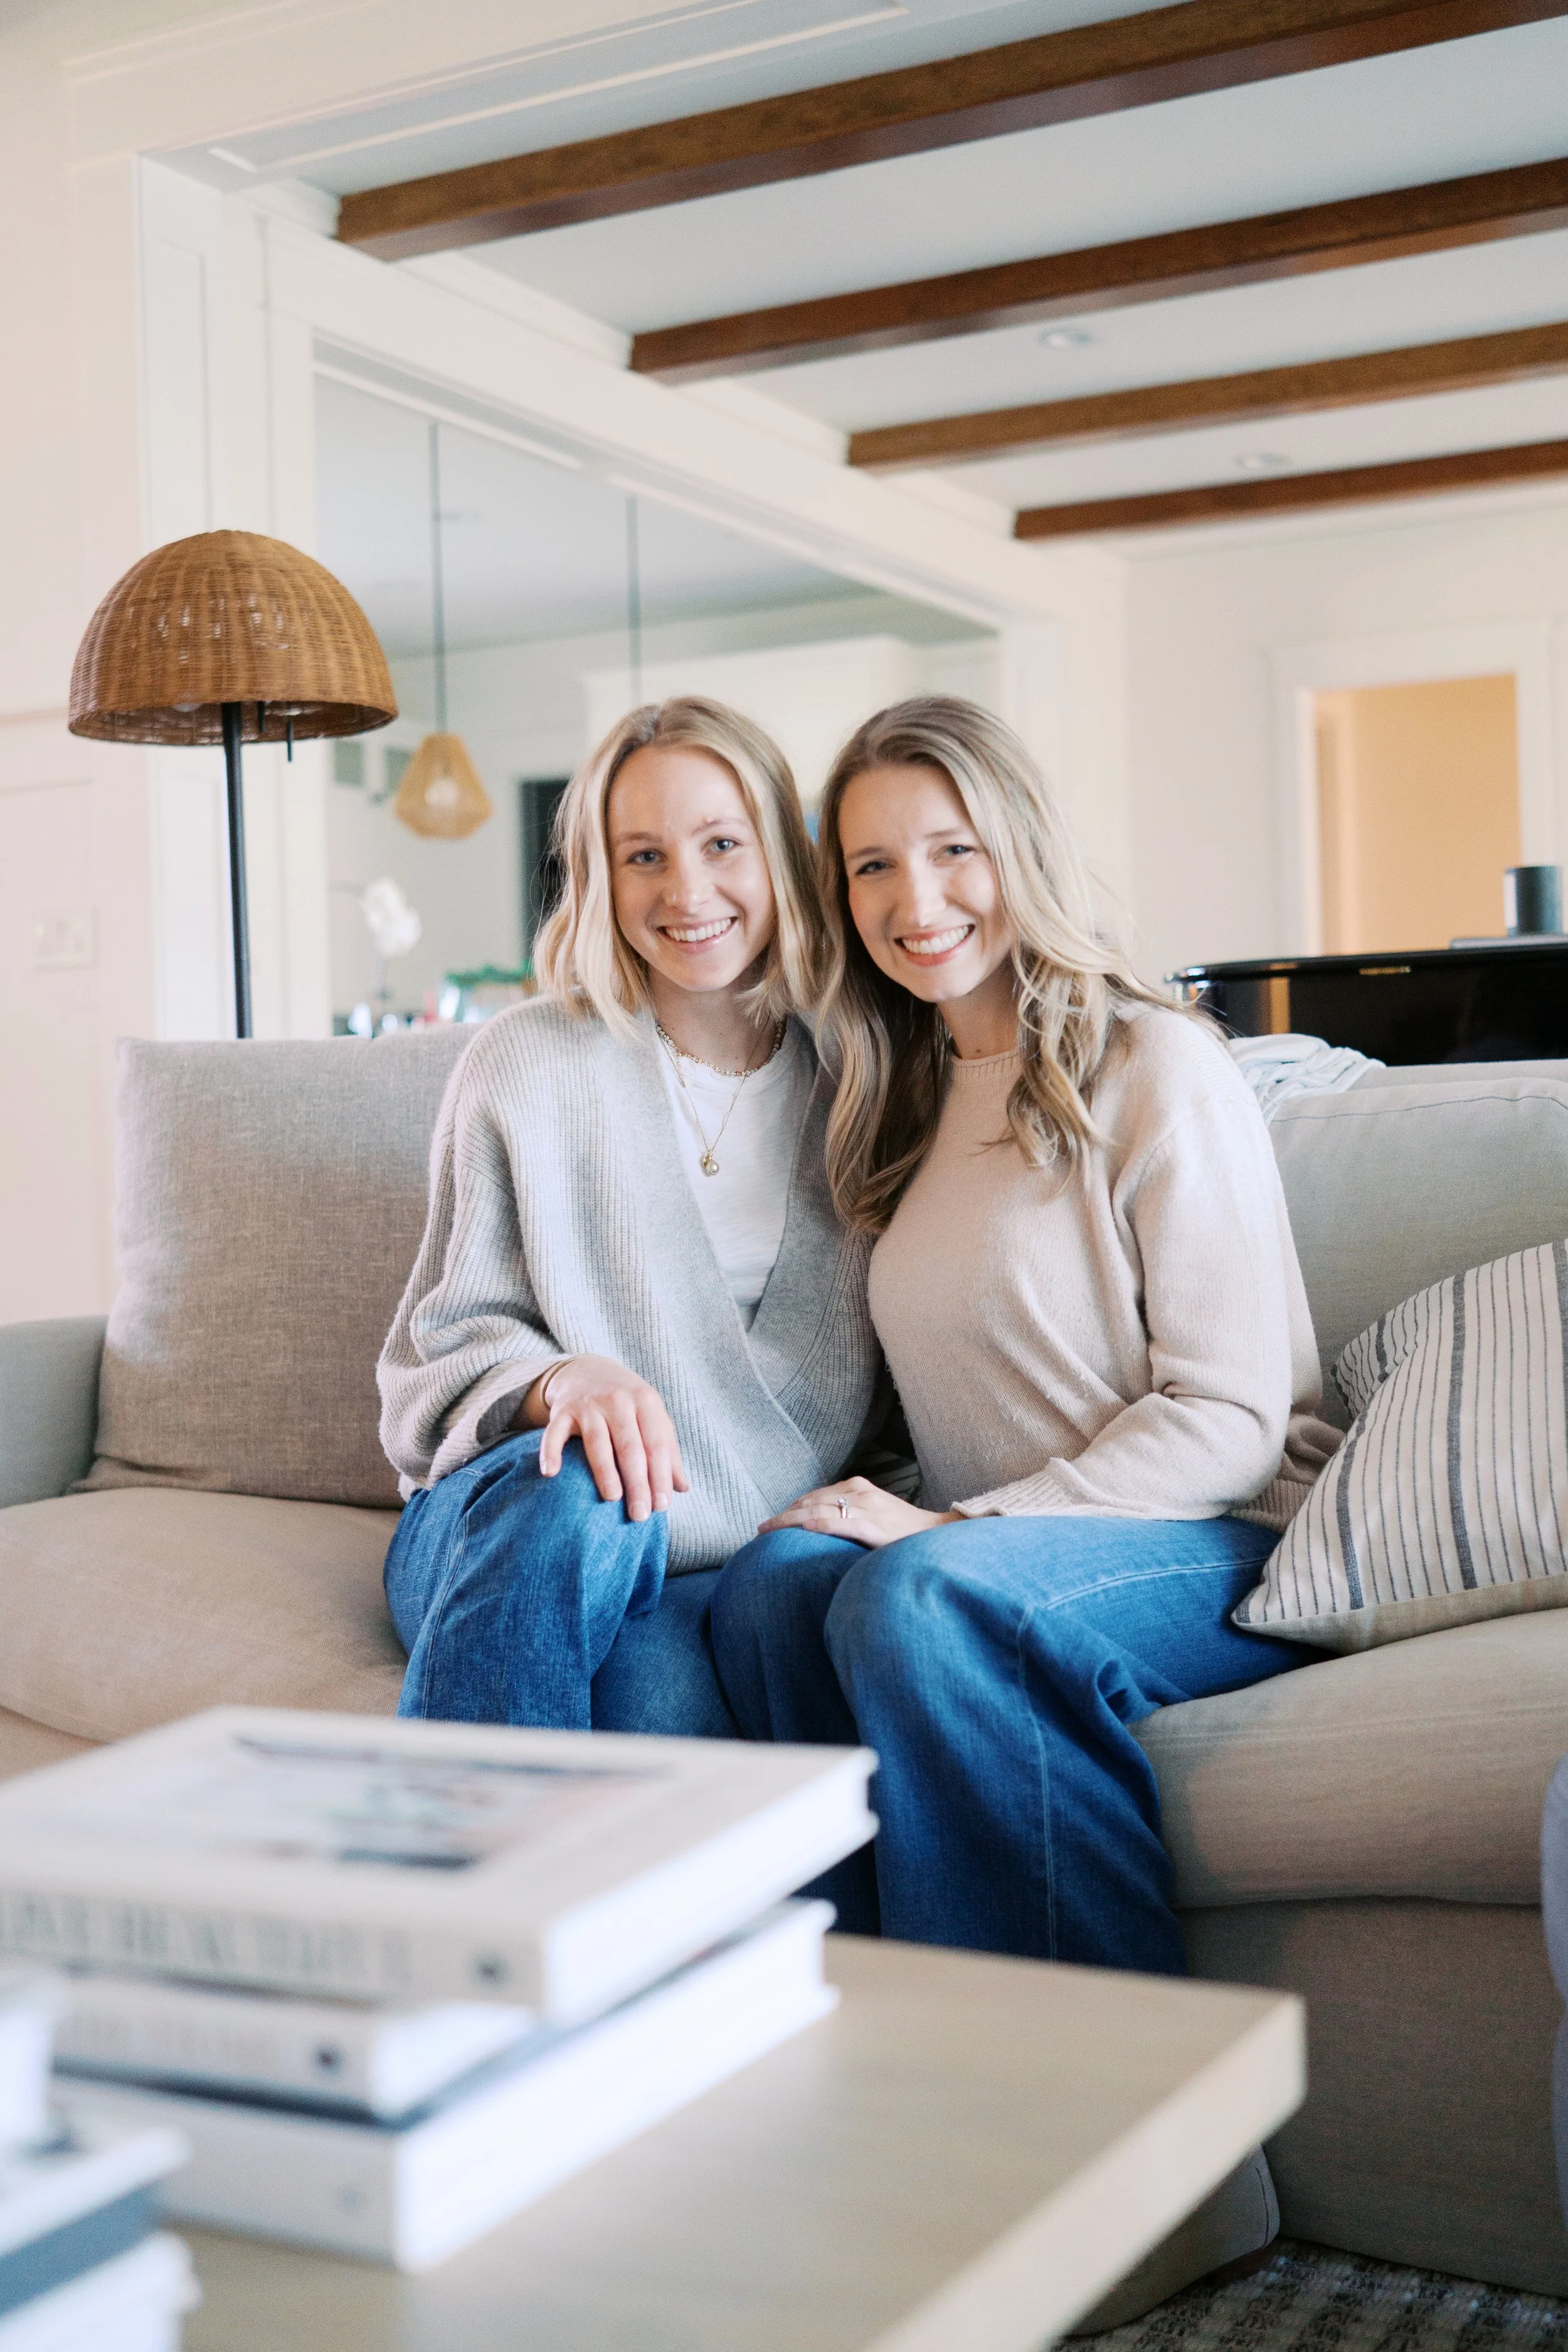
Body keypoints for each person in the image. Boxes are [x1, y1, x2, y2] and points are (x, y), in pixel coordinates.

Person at [711, 696, 1340, 1971]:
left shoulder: (1154, 1062)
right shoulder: (894, 1098)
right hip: (997, 1546)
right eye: (871, 865)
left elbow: (1228, 1421)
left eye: (952, 850)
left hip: (1212, 1537)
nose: (914, 898)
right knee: (770, 1593)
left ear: (1018, 852)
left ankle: (1102, 2092)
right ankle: (876, 2021)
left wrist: (953, 1531)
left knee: (923, 1600)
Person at [378, 697, 881, 1737]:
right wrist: (562, 1377)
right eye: (644, 855)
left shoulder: (866, 1078)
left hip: (723, 1555)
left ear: (783, 852)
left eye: (721, 843)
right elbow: (440, 1344)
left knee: (664, 1717)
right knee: (585, 1492)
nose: (687, 890)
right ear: (602, 878)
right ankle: (446, 1888)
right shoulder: (525, 1061)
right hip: (509, 1525)